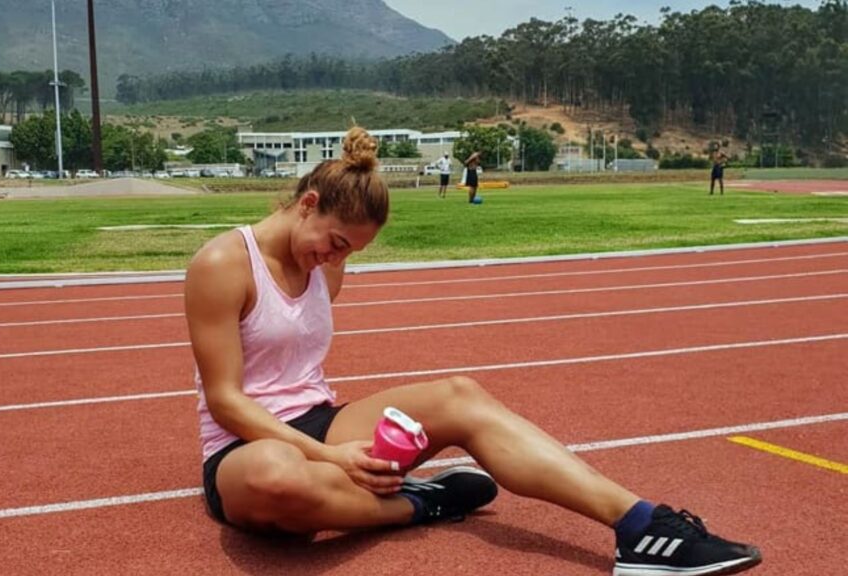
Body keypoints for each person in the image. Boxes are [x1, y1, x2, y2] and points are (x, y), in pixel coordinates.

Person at [184, 127, 762, 576]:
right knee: (278, 478)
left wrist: (334, 448)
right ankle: (422, 504)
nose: (334, 261)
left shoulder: (328, 269)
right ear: (308, 203)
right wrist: (333, 460)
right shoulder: (222, 264)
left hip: (320, 422)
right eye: (334, 244)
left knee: (458, 395)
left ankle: (643, 527)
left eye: (350, 253)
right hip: (246, 447)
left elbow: (310, 361)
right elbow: (227, 400)